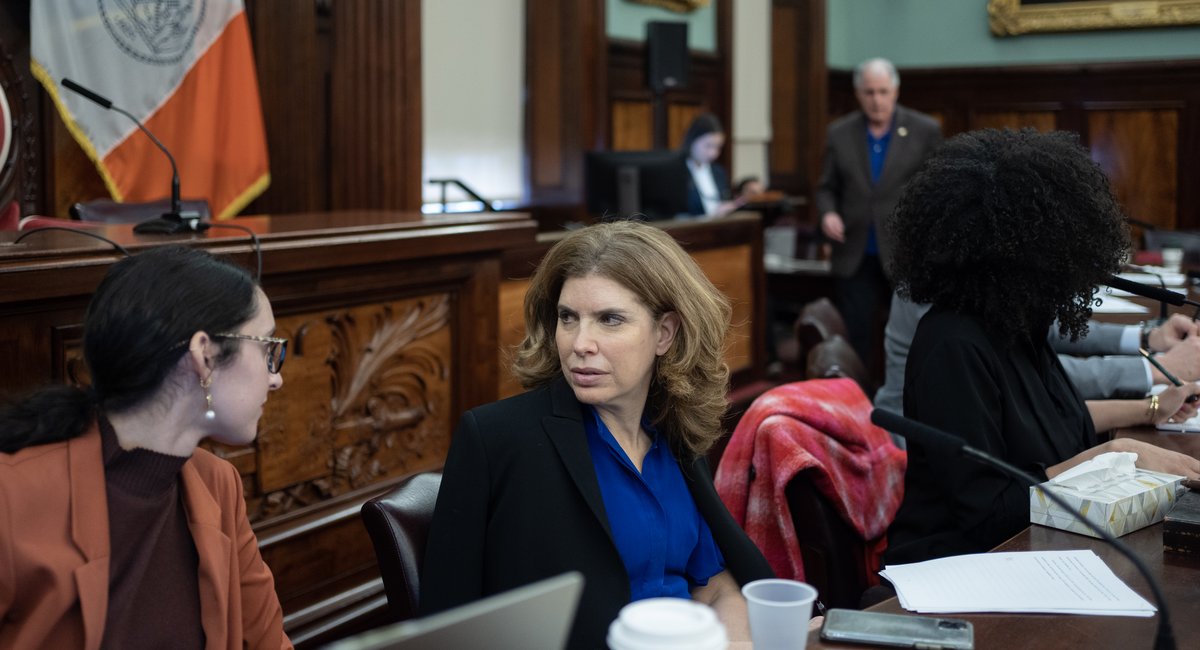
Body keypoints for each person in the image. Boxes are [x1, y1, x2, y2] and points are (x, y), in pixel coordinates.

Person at [421, 220, 775, 649]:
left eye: (609, 319)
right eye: (568, 318)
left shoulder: (677, 433)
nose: (580, 343)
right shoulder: (496, 439)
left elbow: (714, 584)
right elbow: (447, 625)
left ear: (664, 333)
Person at [884, 128, 1200, 565]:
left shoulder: (1017, 323)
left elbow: (1061, 419)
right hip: (955, 565)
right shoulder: (952, 347)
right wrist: (1116, 453)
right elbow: (991, 514)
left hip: (1030, 549)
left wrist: (1152, 409)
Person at [0, 246, 291, 649]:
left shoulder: (219, 485)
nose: (276, 378)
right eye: (266, 348)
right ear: (204, 356)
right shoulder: (12, 495)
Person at [815, 57, 942, 370]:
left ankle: (906, 392)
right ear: (858, 94)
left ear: (895, 91)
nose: (877, 100)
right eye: (869, 92)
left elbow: (938, 186)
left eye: (883, 92)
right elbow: (826, 187)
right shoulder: (839, 133)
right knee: (855, 334)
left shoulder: (924, 130)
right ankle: (856, 393)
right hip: (854, 253)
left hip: (904, 253)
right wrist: (828, 213)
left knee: (911, 334)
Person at [874, 294, 1200, 415]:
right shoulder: (945, 291)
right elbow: (1027, 372)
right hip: (915, 446)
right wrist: (1156, 370)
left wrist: (1148, 338)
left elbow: (1050, 330)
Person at [682, 113, 743, 218]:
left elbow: (723, 200)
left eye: (718, 147)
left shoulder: (718, 172)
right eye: (708, 146)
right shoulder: (678, 171)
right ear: (692, 141)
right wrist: (712, 214)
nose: (713, 153)